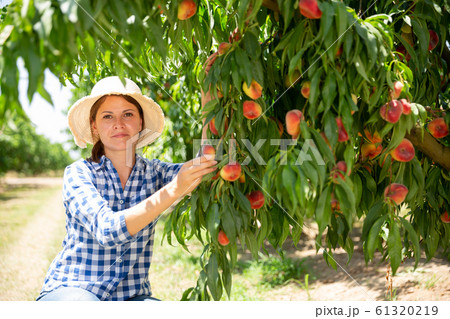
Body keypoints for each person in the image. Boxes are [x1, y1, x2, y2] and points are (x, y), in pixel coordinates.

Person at [36, 76, 217, 301]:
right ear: (95, 126)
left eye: (128, 114)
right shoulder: (79, 173)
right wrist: (173, 190)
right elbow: (106, 230)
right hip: (75, 290)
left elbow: (206, 165)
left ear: (140, 122)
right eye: (107, 116)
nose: (118, 124)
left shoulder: (154, 172)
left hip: (130, 296)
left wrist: (209, 99)